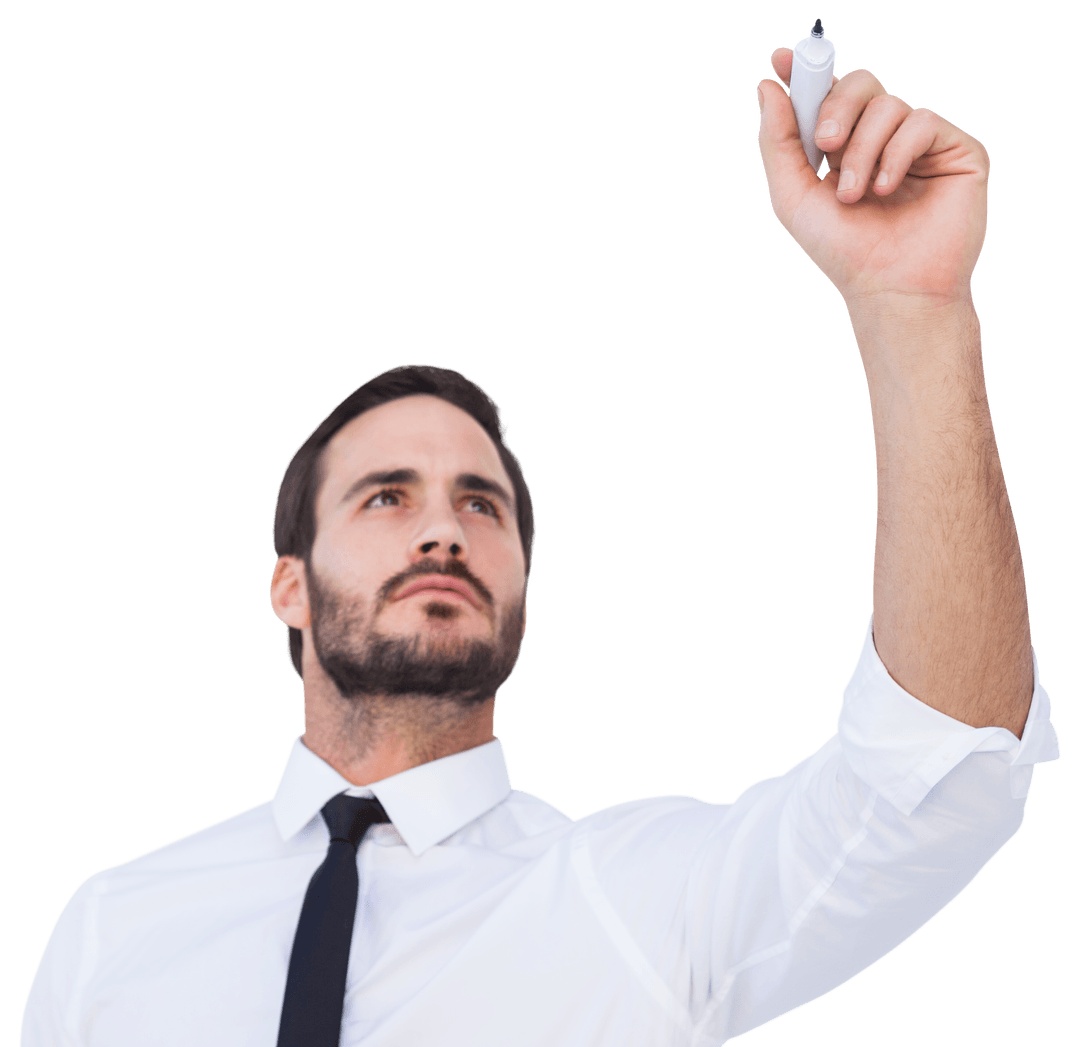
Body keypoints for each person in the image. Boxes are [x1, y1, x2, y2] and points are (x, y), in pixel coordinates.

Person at [22, 45, 1060, 1047]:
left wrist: (912, 311)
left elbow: (939, 774)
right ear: (288, 587)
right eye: (386, 497)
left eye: (483, 505)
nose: (443, 527)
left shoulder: (641, 902)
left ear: (525, 586)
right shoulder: (113, 930)